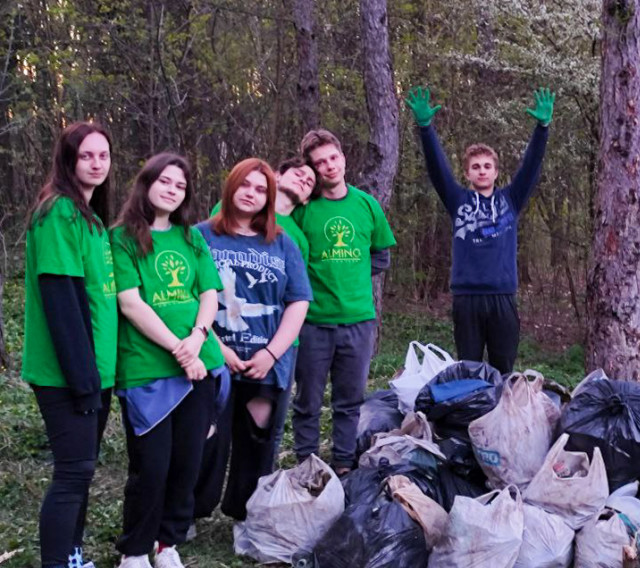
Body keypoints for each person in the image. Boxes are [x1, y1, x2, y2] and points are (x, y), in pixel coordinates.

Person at [111, 153, 225, 568]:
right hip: (148, 369)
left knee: (186, 462)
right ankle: (136, 549)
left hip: (201, 363)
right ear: (146, 183)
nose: (172, 190)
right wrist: (180, 351)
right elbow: (130, 302)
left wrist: (196, 338)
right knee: (151, 465)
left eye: (180, 185)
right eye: (165, 181)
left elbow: (209, 295)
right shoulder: (122, 237)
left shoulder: (192, 238)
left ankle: (167, 543)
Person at [194, 156, 316, 521]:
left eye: (261, 189)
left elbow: (298, 300)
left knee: (256, 440)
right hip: (212, 357)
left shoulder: (281, 243)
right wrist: (216, 346)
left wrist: (271, 353)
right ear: (231, 187)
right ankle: (190, 512)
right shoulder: (201, 235)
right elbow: (187, 298)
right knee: (207, 436)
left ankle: (243, 514)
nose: (251, 194)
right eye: (245, 185)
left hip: (264, 360)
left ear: (270, 196)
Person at [22, 122, 118, 568]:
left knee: (82, 473)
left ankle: (73, 556)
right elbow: (62, 301)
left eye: (103, 155)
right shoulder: (58, 212)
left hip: (95, 372)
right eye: (87, 156)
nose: (97, 163)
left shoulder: (91, 217)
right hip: (68, 375)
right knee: (72, 473)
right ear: (68, 160)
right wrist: (83, 383)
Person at [405, 86, 553, 374]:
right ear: (468, 173)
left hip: (503, 298)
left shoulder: (511, 200)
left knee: (503, 370)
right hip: (467, 300)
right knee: (470, 371)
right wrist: (426, 129)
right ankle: (471, 419)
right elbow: (438, 170)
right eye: (476, 166)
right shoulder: (458, 200)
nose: (482, 170)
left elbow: (531, 166)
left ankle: (501, 419)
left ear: (496, 172)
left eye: (487, 166)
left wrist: (542, 128)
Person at [291, 129, 396, 474]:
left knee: (349, 402)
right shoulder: (303, 211)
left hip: (358, 320)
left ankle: (343, 465)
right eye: (320, 163)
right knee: (307, 401)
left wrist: (351, 279)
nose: (329, 166)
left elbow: (381, 255)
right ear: (313, 169)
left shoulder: (366, 205)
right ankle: (306, 465)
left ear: (343, 158)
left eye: (333, 158)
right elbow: (289, 257)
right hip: (313, 322)